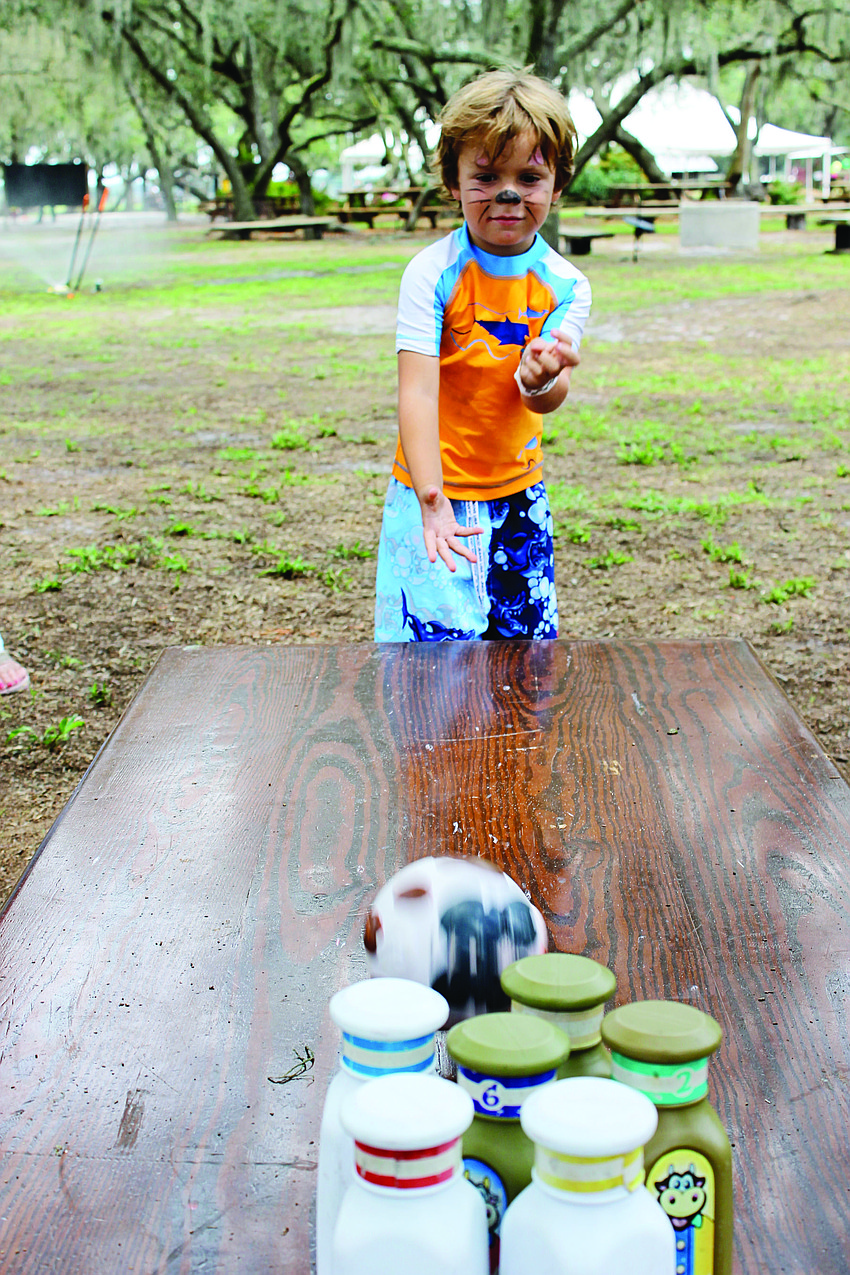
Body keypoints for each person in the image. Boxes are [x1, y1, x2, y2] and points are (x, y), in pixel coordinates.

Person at [374, 69, 592, 643]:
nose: (509, 193)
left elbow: (547, 401)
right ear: (453, 179)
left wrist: (542, 379)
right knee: (433, 660)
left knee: (523, 658)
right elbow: (416, 391)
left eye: (529, 176)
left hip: (520, 497)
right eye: (487, 176)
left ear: (556, 183)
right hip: (437, 494)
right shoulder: (432, 274)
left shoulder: (566, 286)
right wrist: (430, 499)